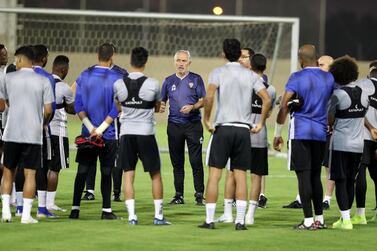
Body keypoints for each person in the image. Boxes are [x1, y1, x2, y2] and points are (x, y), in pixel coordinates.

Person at [199, 38, 271, 230]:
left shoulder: (218, 72)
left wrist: (207, 119)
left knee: (215, 175)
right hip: (242, 130)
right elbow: (266, 99)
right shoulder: (250, 75)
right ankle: (240, 221)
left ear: (224, 53)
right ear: (240, 54)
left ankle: (209, 220)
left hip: (223, 128)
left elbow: (209, 96)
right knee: (240, 176)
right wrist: (261, 123)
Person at [273, 44, 335, 230]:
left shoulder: (297, 77)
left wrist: (277, 134)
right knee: (316, 176)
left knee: (304, 177)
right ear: (316, 59)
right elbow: (334, 104)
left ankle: (308, 220)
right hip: (320, 133)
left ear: (301, 60)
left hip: (300, 131)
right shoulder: (329, 77)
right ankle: (320, 219)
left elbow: (284, 105)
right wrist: (330, 124)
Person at [69, 42, 126, 220]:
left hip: (87, 133)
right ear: (112, 57)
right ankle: (106, 211)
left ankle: (75, 209)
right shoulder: (117, 77)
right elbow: (117, 108)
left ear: (97, 55)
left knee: (82, 170)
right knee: (107, 171)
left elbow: (77, 105)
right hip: (107, 134)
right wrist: (100, 130)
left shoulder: (84, 75)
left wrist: (90, 128)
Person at [1, 45, 53, 224]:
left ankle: (6, 212)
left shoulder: (7, 78)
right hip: (33, 133)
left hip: (11, 132)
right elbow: (48, 110)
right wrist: (43, 123)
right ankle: (26, 216)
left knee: (8, 173)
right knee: (30, 174)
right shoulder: (43, 81)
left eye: (16, 59)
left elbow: (3, 105)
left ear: (22, 60)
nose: (15, 62)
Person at [118, 47, 170, 225]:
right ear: (145, 62)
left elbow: (118, 106)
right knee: (155, 175)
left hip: (126, 134)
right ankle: (158, 216)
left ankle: (132, 217)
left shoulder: (118, 84)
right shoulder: (153, 84)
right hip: (146, 134)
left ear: (130, 61)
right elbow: (156, 106)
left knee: (128, 175)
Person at [327, 56, 372, 230]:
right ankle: (346, 218)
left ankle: (345, 220)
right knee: (350, 181)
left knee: (340, 180)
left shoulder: (337, 95)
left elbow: (330, 119)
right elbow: (363, 114)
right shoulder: (364, 95)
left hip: (340, 144)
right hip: (358, 145)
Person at [160, 50, 206, 205]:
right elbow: (162, 101)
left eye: (184, 61)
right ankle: (178, 195)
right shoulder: (168, 81)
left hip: (193, 125)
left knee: (195, 161)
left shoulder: (196, 79)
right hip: (174, 126)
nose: (180, 63)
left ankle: (199, 194)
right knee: (177, 162)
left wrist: (193, 107)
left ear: (189, 63)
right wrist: (161, 105)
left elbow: (204, 100)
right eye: (178, 60)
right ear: (174, 62)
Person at [245, 53, 276, 224]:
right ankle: (250, 214)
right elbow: (269, 112)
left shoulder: (242, 86)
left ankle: (237, 212)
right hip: (260, 136)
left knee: (238, 174)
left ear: (250, 65)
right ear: (264, 68)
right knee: (256, 175)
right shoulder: (270, 90)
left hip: (242, 135)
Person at [46, 55, 75, 212]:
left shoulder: (43, 82)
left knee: (43, 167)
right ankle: (50, 203)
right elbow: (72, 110)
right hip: (58, 131)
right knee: (55, 168)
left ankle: (41, 202)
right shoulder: (64, 88)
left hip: (42, 131)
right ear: (63, 69)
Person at [32, 44, 58, 218]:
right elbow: (50, 108)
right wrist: (44, 123)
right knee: (42, 166)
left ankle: (19, 208)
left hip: (18, 127)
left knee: (20, 166)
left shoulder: (15, 75)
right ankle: (42, 208)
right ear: (43, 58)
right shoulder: (47, 78)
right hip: (39, 128)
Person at [350, 61, 377, 225]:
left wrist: (371, 127)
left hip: (364, 136)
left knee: (360, 173)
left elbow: (358, 110)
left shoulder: (361, 85)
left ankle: (360, 214)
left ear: (370, 72)